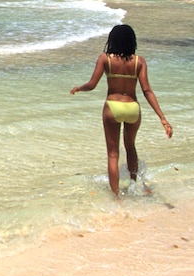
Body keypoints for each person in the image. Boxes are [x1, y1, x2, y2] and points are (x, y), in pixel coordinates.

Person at [71, 24, 172, 194]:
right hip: (133, 107)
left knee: (113, 154)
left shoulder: (105, 59)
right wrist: (162, 118)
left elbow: (92, 84)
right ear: (132, 41)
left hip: (113, 107)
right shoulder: (139, 61)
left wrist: (79, 88)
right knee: (130, 147)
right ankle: (135, 185)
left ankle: (116, 196)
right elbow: (147, 90)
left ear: (112, 40)